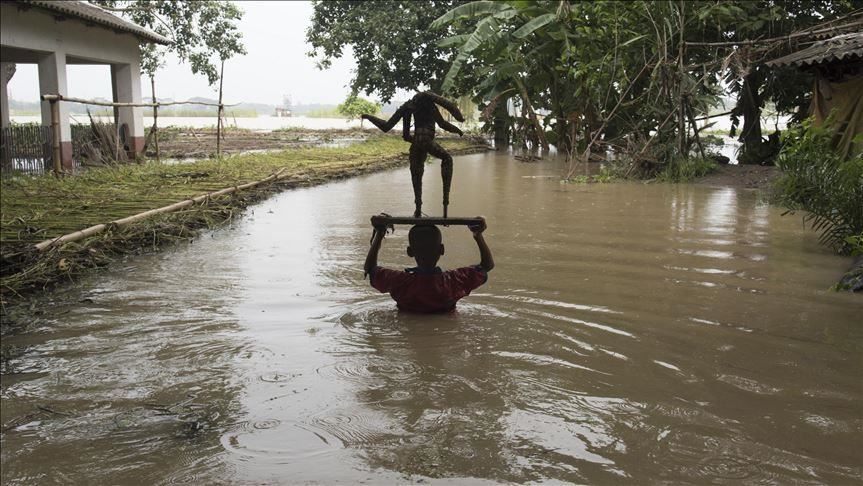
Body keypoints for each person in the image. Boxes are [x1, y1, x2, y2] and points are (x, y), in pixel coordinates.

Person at [364, 218, 494, 313]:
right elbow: (487, 265)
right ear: (442, 250)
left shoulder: (399, 282)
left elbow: (370, 269)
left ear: (410, 252)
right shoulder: (454, 281)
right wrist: (478, 235)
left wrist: (379, 233)